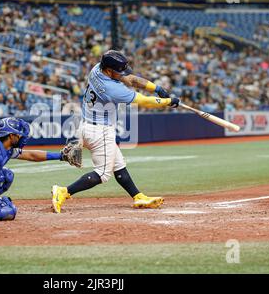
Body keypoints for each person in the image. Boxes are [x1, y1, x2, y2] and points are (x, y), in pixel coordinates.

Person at [51, 50, 180, 213]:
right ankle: (63, 191)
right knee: (103, 174)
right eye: (119, 72)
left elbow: (130, 79)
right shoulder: (111, 88)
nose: (123, 75)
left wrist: (157, 88)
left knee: (118, 165)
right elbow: (143, 101)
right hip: (100, 131)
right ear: (109, 71)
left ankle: (138, 196)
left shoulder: (97, 69)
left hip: (87, 126)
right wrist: (168, 102)